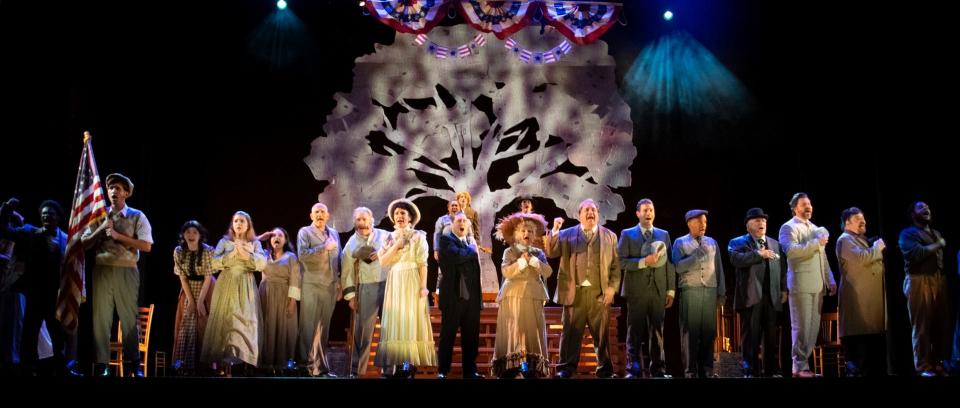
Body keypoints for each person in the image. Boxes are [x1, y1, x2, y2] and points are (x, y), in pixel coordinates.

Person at [81, 173, 153, 377]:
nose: (114, 191)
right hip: (102, 269)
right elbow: (84, 243)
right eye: (111, 187)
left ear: (127, 193)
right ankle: (102, 364)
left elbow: (147, 246)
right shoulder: (99, 215)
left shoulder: (137, 215)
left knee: (129, 317)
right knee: (101, 318)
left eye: (119, 188)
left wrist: (118, 236)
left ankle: (133, 364)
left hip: (127, 269)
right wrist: (101, 229)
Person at [545, 198, 620, 378]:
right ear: (579, 215)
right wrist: (555, 230)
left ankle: (605, 369)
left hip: (599, 294)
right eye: (586, 210)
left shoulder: (610, 236)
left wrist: (612, 288)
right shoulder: (566, 234)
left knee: (601, 335)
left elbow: (616, 266)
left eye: (593, 210)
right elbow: (551, 252)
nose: (590, 213)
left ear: (598, 214)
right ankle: (566, 368)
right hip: (574, 293)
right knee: (570, 332)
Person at [374, 199, 436, 378]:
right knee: (396, 319)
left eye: (403, 213)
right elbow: (383, 262)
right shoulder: (388, 237)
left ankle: (408, 364)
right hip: (395, 280)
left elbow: (422, 264)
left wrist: (424, 287)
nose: (399, 216)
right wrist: (396, 245)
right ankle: (397, 364)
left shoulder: (418, 236)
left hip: (411, 279)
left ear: (410, 217)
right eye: (396, 213)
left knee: (410, 319)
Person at [201, 211, 266, 376]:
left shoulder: (254, 243)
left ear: (248, 225)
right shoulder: (224, 242)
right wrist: (233, 253)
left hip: (246, 284)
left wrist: (245, 253)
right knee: (228, 321)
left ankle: (243, 364)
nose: (238, 223)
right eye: (236, 221)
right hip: (227, 284)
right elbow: (214, 263)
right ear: (232, 224)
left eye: (242, 221)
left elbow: (261, 264)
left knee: (245, 322)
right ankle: (225, 366)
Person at [779, 192, 836, 378]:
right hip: (800, 283)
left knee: (812, 327)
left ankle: (805, 366)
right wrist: (814, 243)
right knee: (801, 326)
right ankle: (798, 366)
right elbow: (792, 252)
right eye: (804, 204)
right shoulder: (788, 228)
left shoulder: (816, 228)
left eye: (810, 204)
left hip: (817, 284)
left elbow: (823, 257)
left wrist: (830, 279)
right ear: (795, 208)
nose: (808, 207)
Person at [617, 198, 675, 378]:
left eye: (651, 210)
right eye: (645, 210)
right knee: (634, 331)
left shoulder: (663, 234)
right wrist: (642, 262)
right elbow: (620, 261)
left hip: (658, 290)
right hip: (636, 291)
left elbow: (670, 263)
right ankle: (632, 370)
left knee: (657, 331)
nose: (648, 213)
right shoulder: (627, 234)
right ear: (638, 213)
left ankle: (658, 370)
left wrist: (670, 290)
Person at [490, 212, 552, 378]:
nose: (526, 234)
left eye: (530, 231)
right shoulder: (509, 252)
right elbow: (506, 271)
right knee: (515, 331)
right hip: (513, 296)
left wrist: (534, 262)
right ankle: (514, 368)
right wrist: (522, 262)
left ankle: (531, 368)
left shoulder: (538, 253)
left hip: (533, 295)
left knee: (532, 332)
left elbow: (548, 272)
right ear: (516, 234)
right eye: (523, 230)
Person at [728, 208, 787, 377]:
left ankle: (770, 370)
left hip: (771, 297)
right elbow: (736, 260)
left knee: (770, 337)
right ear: (748, 226)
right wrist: (759, 254)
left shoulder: (774, 243)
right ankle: (750, 370)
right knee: (751, 338)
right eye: (756, 221)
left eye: (763, 221)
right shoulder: (738, 242)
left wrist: (784, 289)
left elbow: (782, 268)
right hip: (750, 297)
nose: (761, 223)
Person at [899, 201, 950, 376]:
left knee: (940, 324)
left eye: (928, 207)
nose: (926, 209)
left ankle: (937, 363)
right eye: (921, 207)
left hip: (937, 280)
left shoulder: (936, 233)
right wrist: (939, 244)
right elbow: (916, 254)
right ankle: (923, 366)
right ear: (913, 214)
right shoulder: (907, 233)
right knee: (921, 325)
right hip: (918, 280)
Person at [673, 209, 726, 378]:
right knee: (690, 333)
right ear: (689, 223)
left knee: (708, 333)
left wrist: (721, 293)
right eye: (699, 222)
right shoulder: (680, 242)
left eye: (705, 222)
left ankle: (707, 371)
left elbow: (719, 269)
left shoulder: (712, 242)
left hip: (709, 291)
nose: (703, 225)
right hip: (691, 291)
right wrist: (695, 255)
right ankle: (690, 372)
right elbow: (678, 267)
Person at [836, 207, 887, 376]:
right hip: (859, 304)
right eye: (858, 218)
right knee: (861, 356)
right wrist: (877, 249)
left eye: (863, 218)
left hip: (871, 305)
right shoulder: (845, 240)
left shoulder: (861, 239)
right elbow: (860, 259)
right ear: (847, 223)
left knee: (873, 357)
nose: (863, 221)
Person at [340, 207, 388, 378]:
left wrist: (382, 252)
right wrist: (351, 296)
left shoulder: (384, 235)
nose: (361, 223)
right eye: (358, 220)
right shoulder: (351, 243)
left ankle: (389, 370)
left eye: (364, 219)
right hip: (367, 287)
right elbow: (346, 271)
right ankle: (357, 370)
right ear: (355, 222)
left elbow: (400, 247)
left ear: (371, 220)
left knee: (389, 329)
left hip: (388, 285)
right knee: (362, 331)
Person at [436, 212, 484, 379]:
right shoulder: (445, 240)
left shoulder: (470, 243)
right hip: (453, 298)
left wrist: (479, 301)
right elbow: (457, 256)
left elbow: (477, 274)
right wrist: (471, 250)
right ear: (452, 224)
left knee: (471, 337)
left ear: (469, 225)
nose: (461, 223)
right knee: (448, 335)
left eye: (464, 221)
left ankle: (470, 371)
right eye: (458, 221)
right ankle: (442, 370)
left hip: (471, 299)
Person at [296, 202, 341, 377]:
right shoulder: (305, 232)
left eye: (323, 211)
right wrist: (324, 248)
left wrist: (338, 284)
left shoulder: (334, 233)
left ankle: (321, 368)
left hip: (329, 286)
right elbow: (303, 256)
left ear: (328, 215)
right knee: (308, 327)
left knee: (324, 328)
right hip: (312, 284)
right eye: (317, 212)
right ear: (311, 215)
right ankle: (303, 366)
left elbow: (337, 260)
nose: (320, 214)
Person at [171, 220, 215, 376]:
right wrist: (190, 300)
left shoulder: (208, 251)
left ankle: (205, 365)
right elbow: (182, 277)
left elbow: (208, 276)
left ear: (200, 235)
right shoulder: (179, 251)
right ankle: (184, 364)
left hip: (206, 288)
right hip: (188, 288)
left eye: (194, 232)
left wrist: (201, 301)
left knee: (204, 322)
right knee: (187, 323)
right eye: (188, 232)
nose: (191, 235)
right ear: (183, 235)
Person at [258, 227, 300, 375]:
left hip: (283, 296)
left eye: (280, 235)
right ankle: (266, 365)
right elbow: (248, 251)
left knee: (283, 329)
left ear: (285, 240)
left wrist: (292, 302)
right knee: (267, 328)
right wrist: (259, 238)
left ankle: (282, 366)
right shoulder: (263, 254)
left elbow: (295, 281)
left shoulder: (291, 257)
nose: (276, 237)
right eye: (273, 235)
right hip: (266, 296)